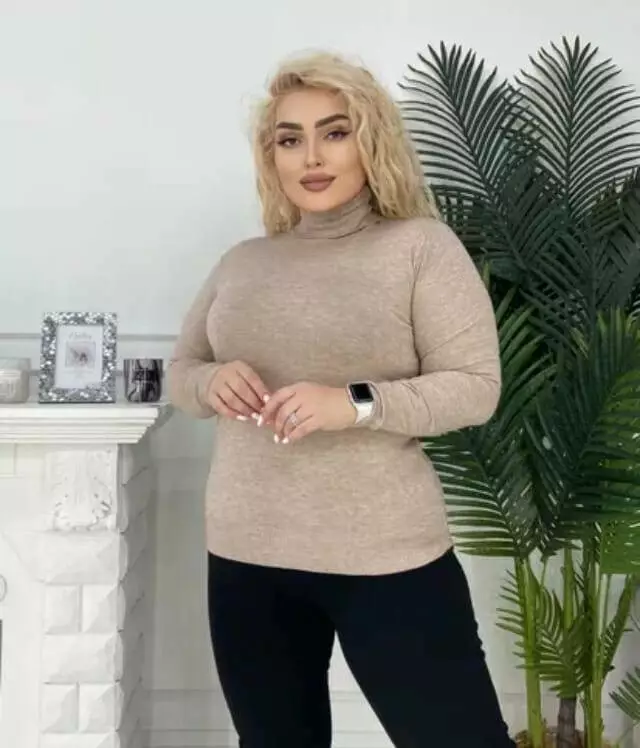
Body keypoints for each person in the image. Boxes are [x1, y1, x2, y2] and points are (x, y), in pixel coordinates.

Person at [167, 51, 515, 748]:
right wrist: (211, 382)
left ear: (371, 140)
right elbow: (182, 371)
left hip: (385, 554)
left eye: (334, 131)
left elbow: (475, 387)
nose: (311, 157)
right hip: (246, 551)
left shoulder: (421, 248)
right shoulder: (244, 261)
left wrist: (352, 403)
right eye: (289, 139)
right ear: (271, 156)